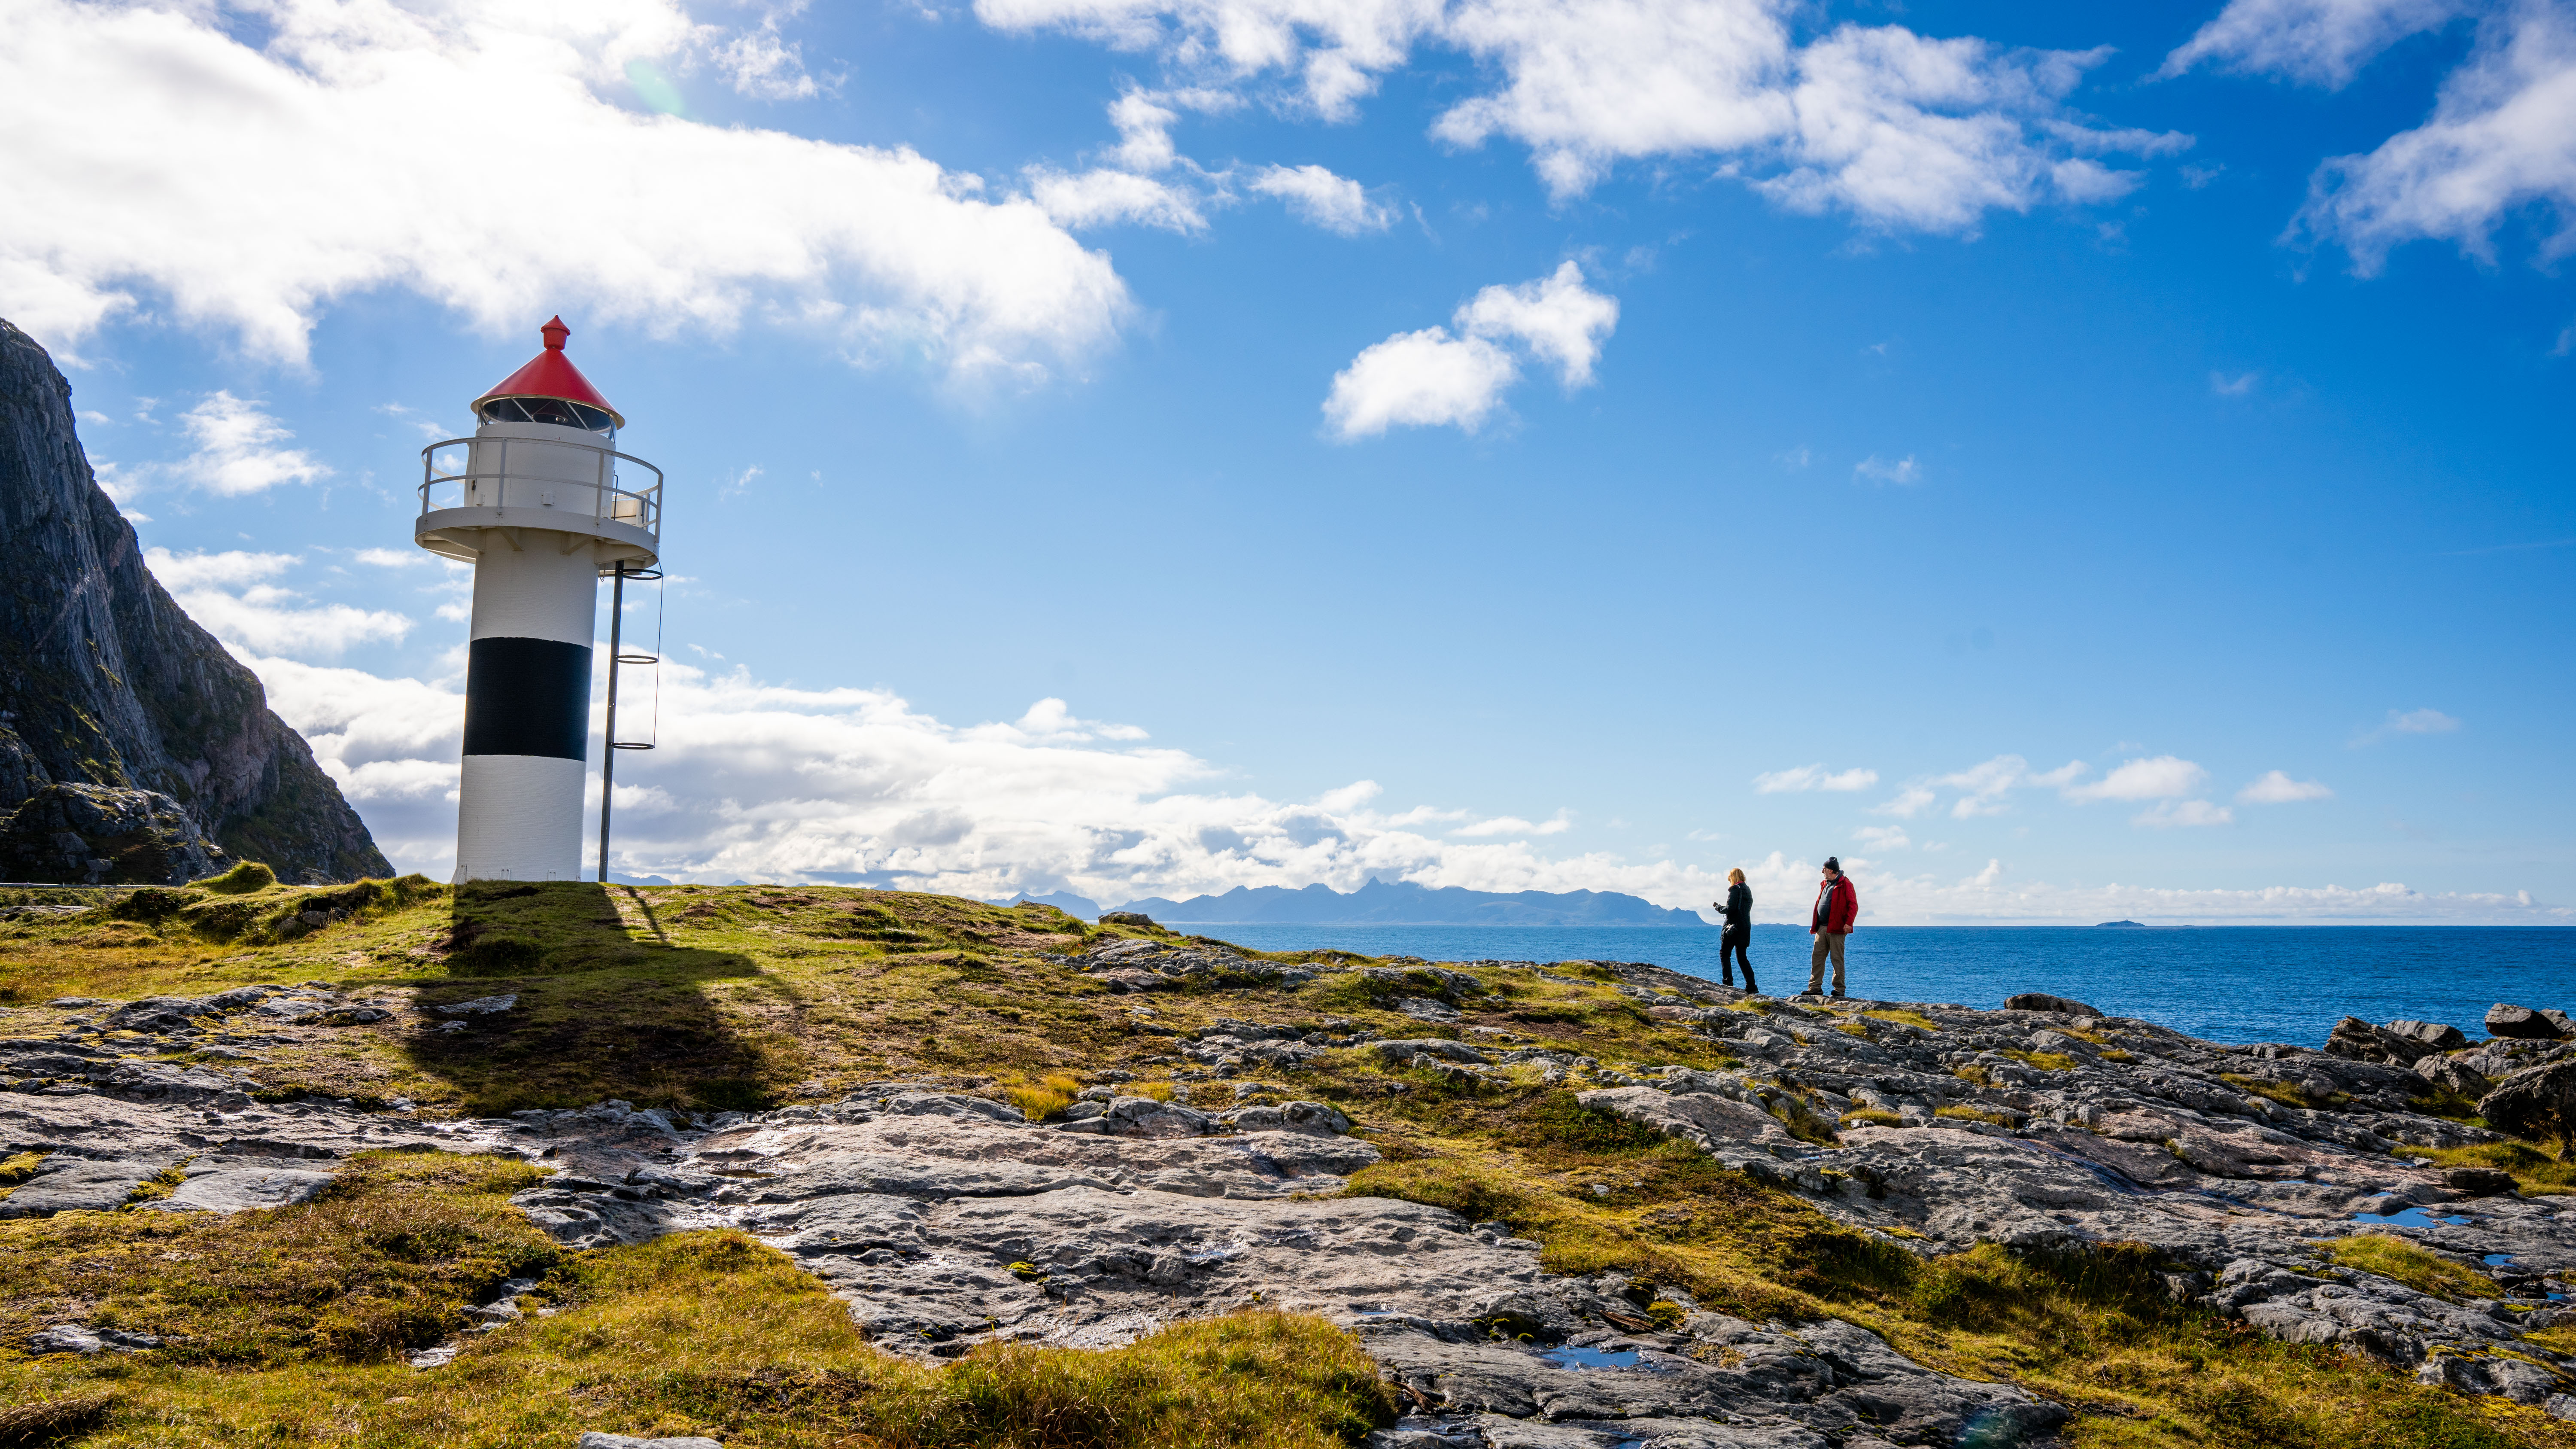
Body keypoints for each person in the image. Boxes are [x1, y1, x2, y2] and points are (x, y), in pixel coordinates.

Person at [1807, 856, 1858, 998]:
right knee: (1817, 957)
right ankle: (1815, 987)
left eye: (1824, 869)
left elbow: (1853, 905)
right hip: (1822, 927)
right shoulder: (1825, 884)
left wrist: (1849, 923)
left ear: (1831, 870)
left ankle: (1839, 989)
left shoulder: (1846, 884)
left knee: (1837, 958)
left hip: (1837, 928)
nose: (1822, 871)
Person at [1713, 868, 1755, 992]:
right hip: (1745, 927)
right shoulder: (1747, 890)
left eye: (1730, 878)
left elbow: (1730, 909)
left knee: (1724, 954)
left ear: (1733, 877)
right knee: (1742, 958)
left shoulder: (1735, 889)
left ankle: (1728, 983)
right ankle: (1751, 986)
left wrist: (1719, 908)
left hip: (1732, 928)